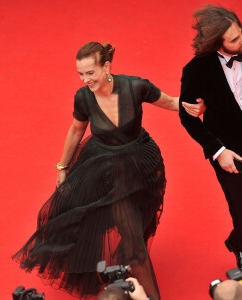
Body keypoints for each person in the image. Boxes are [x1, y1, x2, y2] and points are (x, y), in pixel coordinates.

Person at [13, 42, 205, 300]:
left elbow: (171, 102)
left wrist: (194, 106)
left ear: (106, 67)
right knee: (92, 221)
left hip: (137, 164)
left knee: (132, 233)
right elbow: (76, 131)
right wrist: (62, 167)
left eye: (90, 73)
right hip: (100, 164)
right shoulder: (83, 97)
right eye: (81, 74)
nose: (85, 79)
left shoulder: (136, 86)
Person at [179, 5, 242, 270]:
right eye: (235, 39)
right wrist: (218, 151)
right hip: (229, 150)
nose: (241, 41)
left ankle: (237, 241)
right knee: (241, 209)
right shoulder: (196, 70)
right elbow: (187, 117)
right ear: (217, 43)